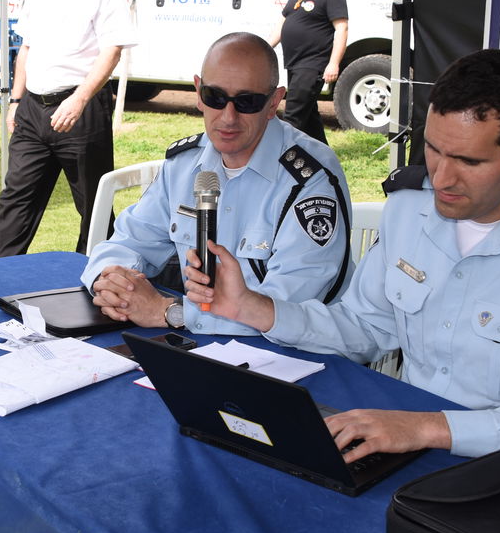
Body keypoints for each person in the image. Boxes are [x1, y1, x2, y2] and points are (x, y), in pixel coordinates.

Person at [187, 49, 500, 461]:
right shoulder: (410, 206)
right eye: (432, 149)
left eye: (469, 162)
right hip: (404, 443)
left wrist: (432, 428)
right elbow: (366, 326)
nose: (442, 179)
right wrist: (255, 308)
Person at [83, 32, 353, 334]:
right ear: (198, 92)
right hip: (205, 350)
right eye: (215, 97)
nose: (228, 117)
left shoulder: (308, 179)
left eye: (247, 102)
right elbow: (127, 241)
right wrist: (112, 282)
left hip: (297, 358)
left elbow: (286, 308)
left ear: (274, 101)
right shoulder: (184, 164)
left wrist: (172, 313)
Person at [0, 0, 136, 257]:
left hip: (81, 111)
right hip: (32, 111)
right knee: (16, 197)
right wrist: (15, 101)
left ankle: (96, 275)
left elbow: (112, 51)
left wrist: (79, 99)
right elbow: (26, 49)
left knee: (93, 204)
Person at [269, 0, 348, 144]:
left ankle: (279, 157)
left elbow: (342, 29)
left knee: (293, 116)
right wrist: (264, 48)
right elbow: (282, 24)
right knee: (310, 118)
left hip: (313, 64)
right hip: (294, 64)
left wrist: (333, 63)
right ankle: (324, 157)